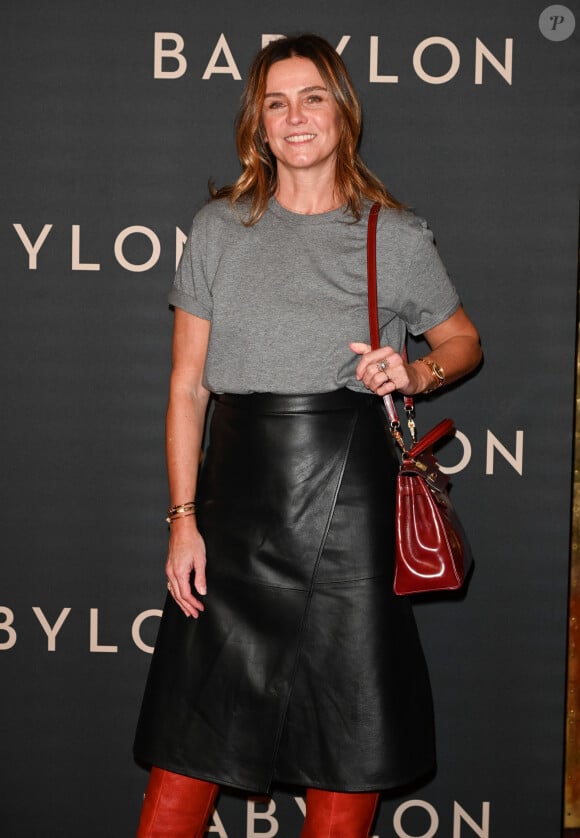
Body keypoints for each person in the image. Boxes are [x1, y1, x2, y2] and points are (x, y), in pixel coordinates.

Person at [133, 33, 481, 838]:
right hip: (232, 513)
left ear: (342, 112)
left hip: (350, 524)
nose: (296, 117)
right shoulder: (218, 228)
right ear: (258, 122)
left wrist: (415, 373)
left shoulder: (392, 234)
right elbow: (188, 387)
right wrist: (182, 520)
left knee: (345, 761)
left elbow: (464, 342)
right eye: (277, 102)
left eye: (313, 97)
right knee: (182, 770)